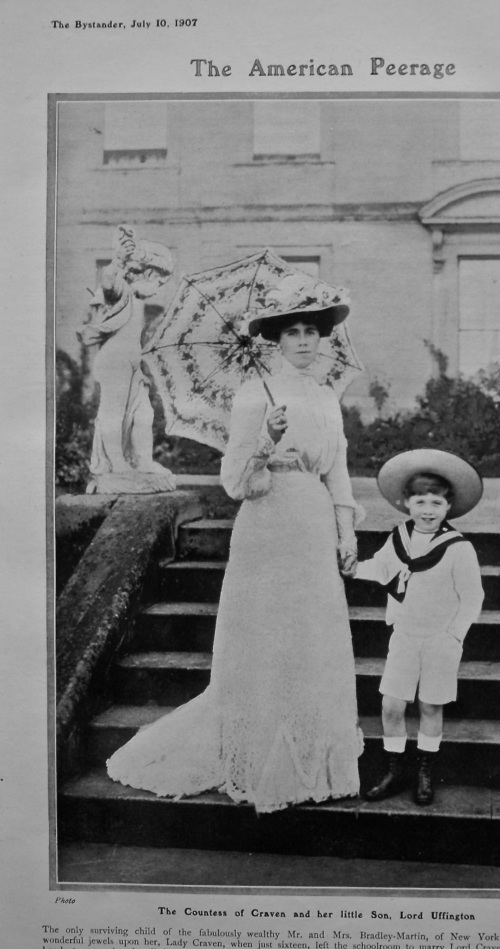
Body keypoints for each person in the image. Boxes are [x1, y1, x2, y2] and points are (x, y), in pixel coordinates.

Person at [107, 281, 364, 813]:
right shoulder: (254, 394)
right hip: (268, 524)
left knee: (312, 633)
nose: (302, 340)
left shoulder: (324, 396)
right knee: (267, 634)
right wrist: (265, 440)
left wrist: (346, 532)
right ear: (273, 340)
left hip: (313, 520)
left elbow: (337, 470)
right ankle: (257, 754)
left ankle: (311, 753)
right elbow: (236, 484)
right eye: (291, 331)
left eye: (311, 331)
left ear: (323, 338)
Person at [354, 450, 484, 805]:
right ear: (406, 503)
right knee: (392, 705)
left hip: (440, 638)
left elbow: (473, 596)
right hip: (405, 636)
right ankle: (395, 770)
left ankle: (425, 771)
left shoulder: (458, 548)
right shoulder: (399, 538)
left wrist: (454, 635)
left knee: (430, 706)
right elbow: (380, 569)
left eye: (437, 502)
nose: (428, 509)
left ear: (448, 507)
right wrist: (351, 567)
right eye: (420, 501)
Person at [81, 224, 176, 494]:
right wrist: (119, 259)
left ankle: (143, 461)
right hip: (115, 361)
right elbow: (108, 282)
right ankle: (117, 463)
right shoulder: (123, 287)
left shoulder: (139, 299)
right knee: (114, 411)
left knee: (143, 414)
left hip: (132, 365)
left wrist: (142, 367)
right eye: (157, 279)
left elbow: (137, 337)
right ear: (142, 272)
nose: (158, 287)